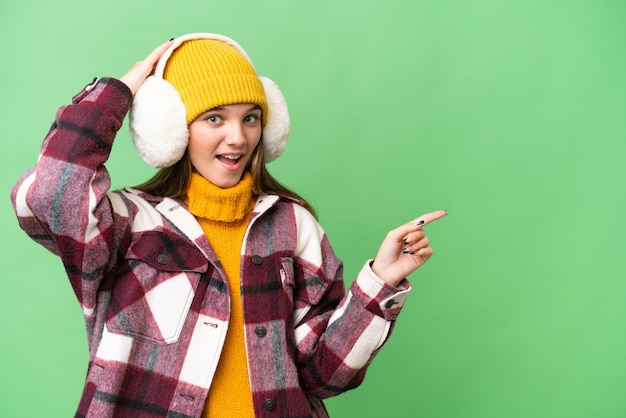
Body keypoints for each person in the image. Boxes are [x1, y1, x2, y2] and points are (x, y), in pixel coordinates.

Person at [10, 33, 447, 417]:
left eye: (250, 117)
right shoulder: (127, 223)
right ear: (172, 129)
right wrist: (117, 92)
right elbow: (49, 196)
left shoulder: (293, 225)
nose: (237, 137)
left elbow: (322, 378)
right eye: (214, 118)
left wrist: (380, 283)